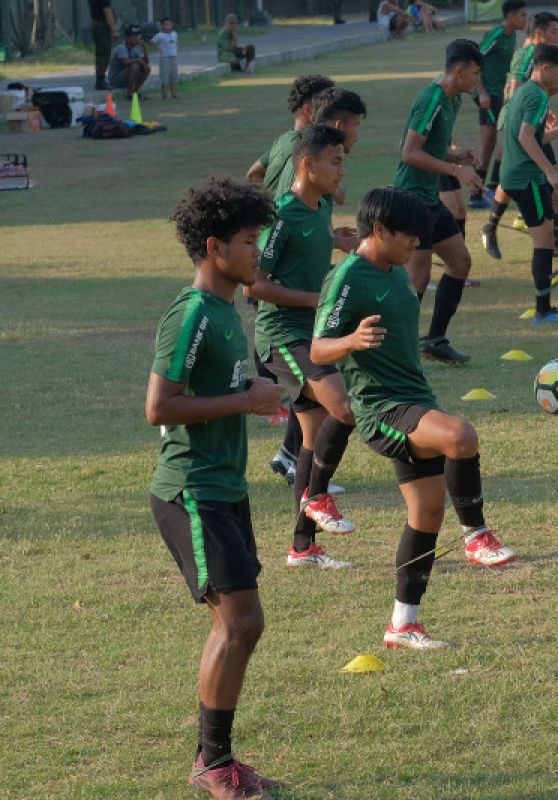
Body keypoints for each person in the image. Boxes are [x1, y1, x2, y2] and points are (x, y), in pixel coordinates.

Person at [312, 187, 518, 650]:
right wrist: (350, 343)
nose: (416, 245)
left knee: (425, 514)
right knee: (461, 436)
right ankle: (476, 535)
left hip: (414, 398)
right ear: (380, 230)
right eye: (409, 236)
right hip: (381, 407)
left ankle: (402, 624)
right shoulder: (348, 278)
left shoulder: (394, 268)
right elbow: (317, 348)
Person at [147, 176, 283, 799]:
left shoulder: (228, 309)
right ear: (212, 246)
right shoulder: (192, 313)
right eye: (250, 241)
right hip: (192, 488)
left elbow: (233, 391)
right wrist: (246, 401)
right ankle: (213, 763)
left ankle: (214, 757)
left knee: (241, 624)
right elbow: (159, 407)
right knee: (240, 622)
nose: (259, 252)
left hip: (225, 485)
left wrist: (261, 398)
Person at [246, 125, 362, 570]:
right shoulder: (281, 215)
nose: (341, 169)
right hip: (281, 332)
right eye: (335, 161)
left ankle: (302, 547)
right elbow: (254, 285)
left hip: (310, 331)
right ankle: (317, 496)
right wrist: (316, 299)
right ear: (307, 164)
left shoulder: (322, 207)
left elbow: (311, 247)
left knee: (311, 439)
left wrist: (339, 242)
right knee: (343, 408)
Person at [393, 39, 488, 363]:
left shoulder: (452, 100)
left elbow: (431, 147)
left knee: (460, 263)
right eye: (475, 73)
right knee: (417, 277)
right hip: (411, 199)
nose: (477, 81)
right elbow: (409, 153)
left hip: (429, 199)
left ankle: (434, 340)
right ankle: (398, 347)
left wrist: (455, 155)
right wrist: (454, 169)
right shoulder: (432, 99)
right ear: (459, 70)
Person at [499, 43, 558, 324]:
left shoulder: (524, 93)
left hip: (513, 175)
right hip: (526, 177)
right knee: (543, 242)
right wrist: (550, 173)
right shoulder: (538, 96)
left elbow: (532, 136)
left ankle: (545, 307)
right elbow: (526, 138)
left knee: (544, 238)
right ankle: (544, 310)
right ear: (545, 68)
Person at [481, 12, 558, 261]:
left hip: (526, 119)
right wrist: (532, 113)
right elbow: (517, 93)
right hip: (516, 123)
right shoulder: (529, 55)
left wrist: (545, 107)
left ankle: (495, 226)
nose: (557, 36)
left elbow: (534, 94)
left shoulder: (536, 57)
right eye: (554, 31)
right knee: (548, 177)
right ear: (539, 33)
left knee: (517, 180)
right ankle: (550, 239)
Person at [470, 0, 528, 210]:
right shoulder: (496, 34)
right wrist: (481, 92)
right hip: (486, 93)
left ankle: (488, 189)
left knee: (496, 140)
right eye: (522, 15)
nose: (525, 19)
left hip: (496, 93)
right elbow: (474, 60)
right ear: (511, 16)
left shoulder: (512, 35)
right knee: (490, 142)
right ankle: (477, 193)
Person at [107, 25, 151, 100]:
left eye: (138, 36)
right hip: (115, 79)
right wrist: (139, 61)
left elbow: (146, 61)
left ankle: (135, 91)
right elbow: (126, 62)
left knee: (146, 68)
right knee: (135, 66)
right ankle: (130, 93)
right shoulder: (121, 48)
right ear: (127, 38)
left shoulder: (134, 49)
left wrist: (144, 47)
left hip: (126, 76)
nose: (137, 38)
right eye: (134, 36)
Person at [89, 0, 118, 90]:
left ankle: (100, 79)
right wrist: (114, 30)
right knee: (104, 52)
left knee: (100, 52)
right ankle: (100, 80)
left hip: (96, 23)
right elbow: (107, 11)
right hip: (103, 25)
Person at [152, 17, 179, 100]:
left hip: (173, 57)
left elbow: (176, 42)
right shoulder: (160, 35)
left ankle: (173, 93)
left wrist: (176, 49)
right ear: (162, 26)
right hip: (164, 58)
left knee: (173, 75)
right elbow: (153, 41)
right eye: (166, 25)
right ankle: (164, 94)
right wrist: (159, 49)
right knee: (164, 76)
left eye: (169, 24)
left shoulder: (174, 34)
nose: (168, 26)